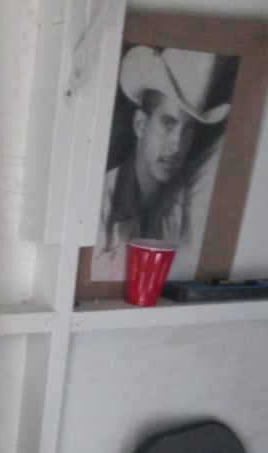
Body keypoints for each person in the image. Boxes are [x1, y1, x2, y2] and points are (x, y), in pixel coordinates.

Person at [92, 46, 231, 282]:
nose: (177, 145)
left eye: (188, 130)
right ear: (141, 125)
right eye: (168, 123)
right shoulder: (101, 200)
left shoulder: (187, 208)